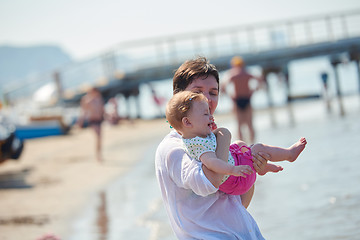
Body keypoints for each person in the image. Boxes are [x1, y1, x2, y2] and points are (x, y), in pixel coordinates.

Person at [155, 57, 271, 239]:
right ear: (178, 97)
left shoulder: (208, 139)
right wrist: (225, 137)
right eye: (198, 92)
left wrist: (250, 170)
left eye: (213, 92)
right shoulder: (174, 148)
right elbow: (210, 182)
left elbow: (237, 205)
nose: (207, 99)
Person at [165, 90, 307, 197]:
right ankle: (289, 154)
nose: (211, 116)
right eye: (205, 114)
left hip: (233, 169)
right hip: (235, 180)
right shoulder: (198, 145)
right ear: (187, 122)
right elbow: (212, 162)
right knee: (257, 148)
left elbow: (215, 145)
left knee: (239, 144)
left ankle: (262, 166)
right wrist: (232, 170)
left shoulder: (196, 136)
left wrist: (211, 130)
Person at [221, 56, 264, 144]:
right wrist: (253, 91)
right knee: (249, 125)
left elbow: (223, 86)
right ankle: (252, 145)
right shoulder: (246, 73)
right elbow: (260, 80)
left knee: (240, 125)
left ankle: (241, 147)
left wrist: (231, 96)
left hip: (237, 99)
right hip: (246, 98)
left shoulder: (233, 74)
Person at [78, 87, 105, 162]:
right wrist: (81, 122)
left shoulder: (99, 99)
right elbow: (83, 111)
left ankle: (99, 154)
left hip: (99, 120)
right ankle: (98, 155)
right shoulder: (87, 100)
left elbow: (102, 110)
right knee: (98, 137)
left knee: (100, 138)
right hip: (92, 120)